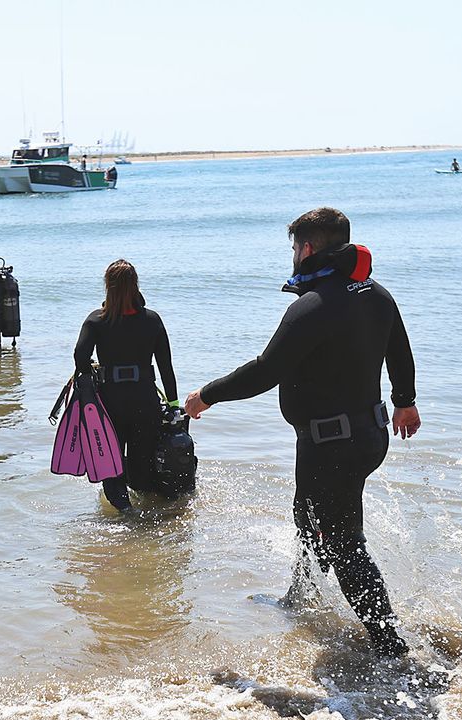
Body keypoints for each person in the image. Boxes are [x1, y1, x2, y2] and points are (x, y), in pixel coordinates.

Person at [183, 207, 421, 658]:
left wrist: (206, 395)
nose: (293, 255)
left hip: (333, 443)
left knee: (345, 545)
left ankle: (391, 647)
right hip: (366, 434)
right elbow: (400, 350)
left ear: (307, 248)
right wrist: (405, 401)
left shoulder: (311, 308)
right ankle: (301, 597)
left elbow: (264, 371)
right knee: (307, 517)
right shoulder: (376, 293)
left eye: (295, 247)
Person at [72, 260, 176, 512]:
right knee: (142, 467)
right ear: (135, 285)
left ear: (108, 286)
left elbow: (79, 357)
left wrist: (93, 373)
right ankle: (147, 516)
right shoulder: (152, 320)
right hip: (145, 401)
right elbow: (166, 367)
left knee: (112, 462)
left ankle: (123, 512)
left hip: (110, 404)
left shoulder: (96, 321)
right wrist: (173, 405)